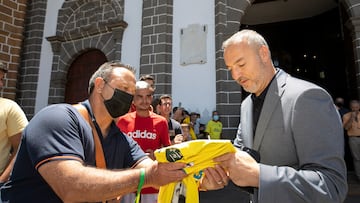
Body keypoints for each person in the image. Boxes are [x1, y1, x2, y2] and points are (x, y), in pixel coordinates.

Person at [0, 61, 188, 202]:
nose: (129, 97)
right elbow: (71, 187)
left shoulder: (120, 139)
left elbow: (152, 167)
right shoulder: (57, 118)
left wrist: (196, 176)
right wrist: (147, 177)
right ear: (99, 85)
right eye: (123, 88)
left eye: (131, 93)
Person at [211, 29, 347, 203]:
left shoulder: (307, 96)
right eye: (230, 68)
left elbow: (331, 186)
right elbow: (240, 158)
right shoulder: (246, 105)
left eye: (241, 64)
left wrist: (259, 175)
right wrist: (219, 174)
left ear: (263, 53)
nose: (235, 75)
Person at [117, 81, 171, 203]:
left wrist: (156, 155)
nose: (144, 100)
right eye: (139, 96)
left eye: (148, 96)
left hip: (153, 186)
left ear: (152, 98)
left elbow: (168, 150)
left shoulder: (161, 122)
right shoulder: (122, 121)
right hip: (128, 185)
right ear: (133, 99)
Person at [0, 62, 28, 187]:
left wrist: (1, 181)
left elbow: (22, 147)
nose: (1, 85)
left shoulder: (8, 107)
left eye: (1, 79)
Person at [343, 99, 360, 180]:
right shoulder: (346, 116)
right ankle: (359, 176)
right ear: (350, 107)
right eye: (353, 107)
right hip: (353, 139)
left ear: (359, 107)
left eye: (356, 107)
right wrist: (351, 118)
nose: (355, 109)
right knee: (357, 158)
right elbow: (346, 128)